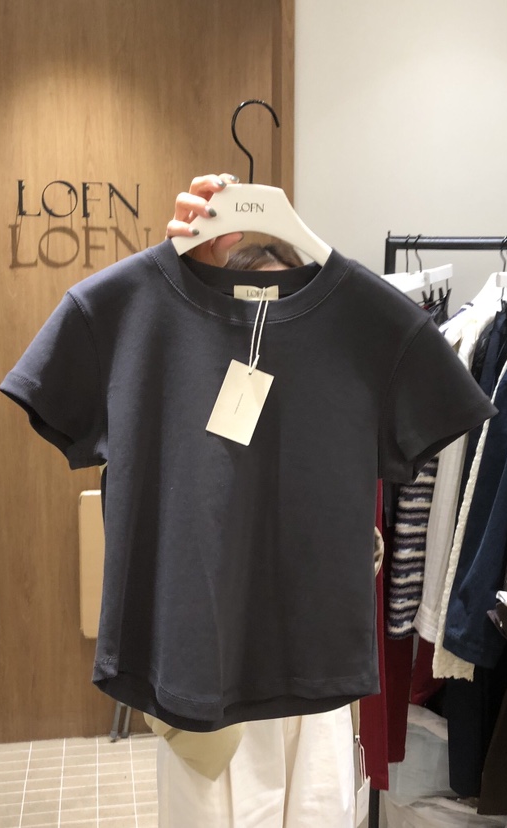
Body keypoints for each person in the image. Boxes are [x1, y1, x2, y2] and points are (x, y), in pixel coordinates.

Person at [154, 175, 361, 828]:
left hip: (310, 672)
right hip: (210, 679)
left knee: (318, 807)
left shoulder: (338, 394)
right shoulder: (181, 393)